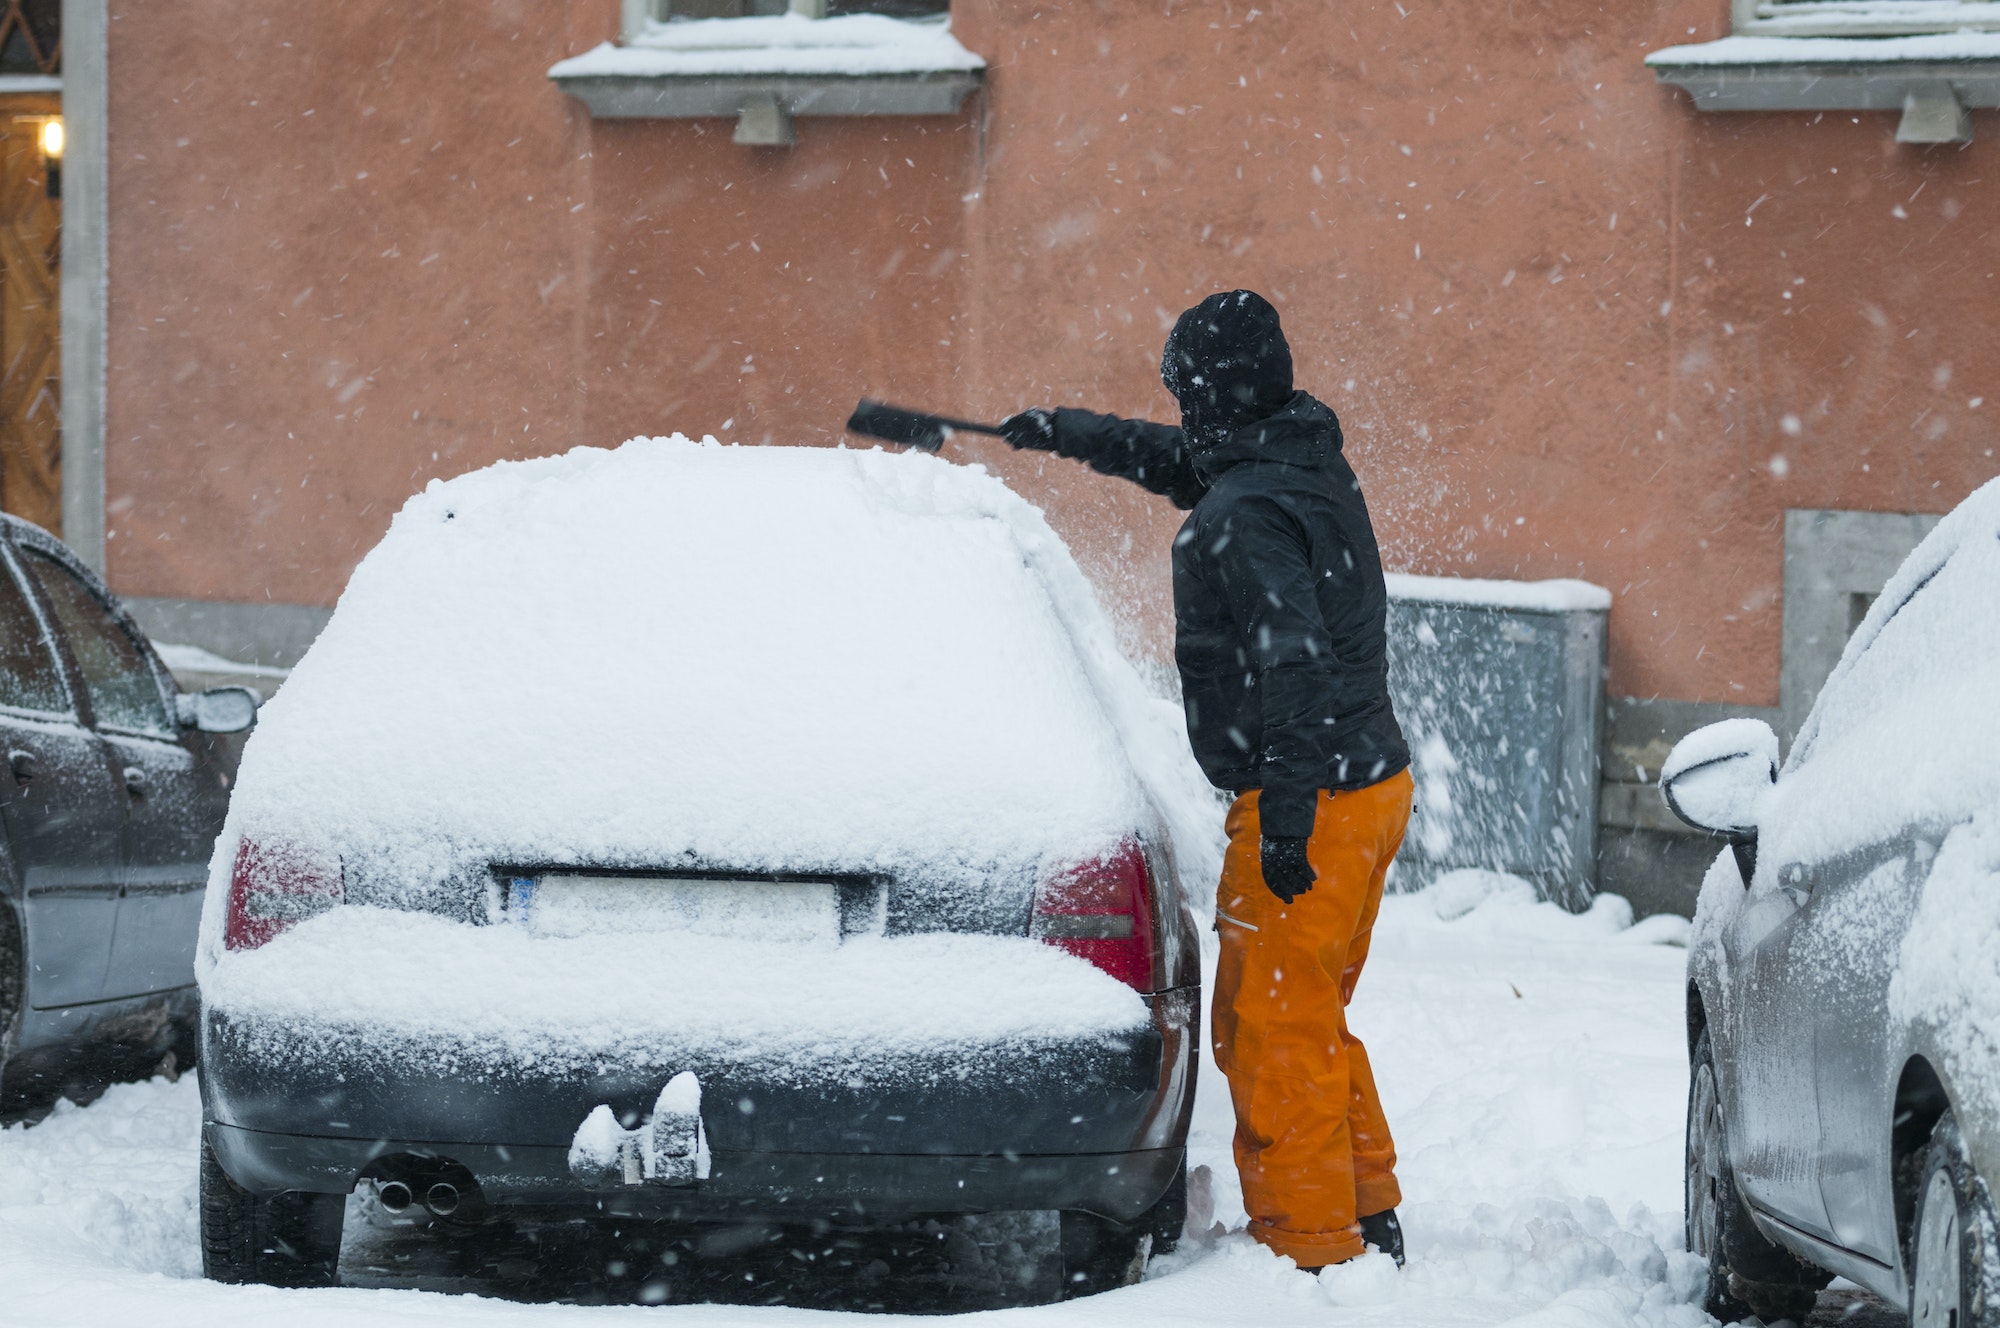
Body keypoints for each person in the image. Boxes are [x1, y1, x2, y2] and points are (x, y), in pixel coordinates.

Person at [994, 290, 1414, 1272]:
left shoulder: (1242, 515)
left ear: (1209, 394)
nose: (1177, 408)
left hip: (1310, 794)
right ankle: (1362, 1200)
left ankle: (1310, 1251)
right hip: (1364, 782)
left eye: (1182, 390)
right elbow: (1178, 462)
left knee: (1266, 1027)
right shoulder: (1293, 457)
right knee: (1301, 1010)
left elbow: (1297, 663)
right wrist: (1067, 434)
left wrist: (1285, 822)